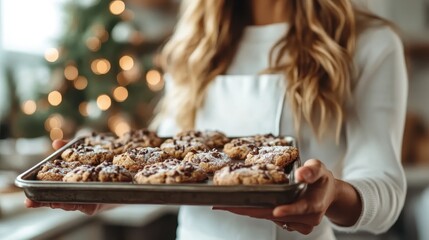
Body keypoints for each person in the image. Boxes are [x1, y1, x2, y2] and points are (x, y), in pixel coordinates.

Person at [26, 0, 408, 239]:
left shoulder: (367, 42)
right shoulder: (196, 44)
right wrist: (97, 195)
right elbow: (165, 167)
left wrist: (332, 195)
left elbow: (386, 191)